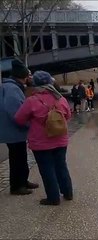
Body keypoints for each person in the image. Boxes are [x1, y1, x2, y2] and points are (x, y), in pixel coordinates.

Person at [15, 71, 73, 206]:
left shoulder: (31, 101)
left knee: (47, 169)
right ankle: (68, 192)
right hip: (60, 140)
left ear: (35, 84)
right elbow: (68, 116)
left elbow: (19, 119)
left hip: (41, 143)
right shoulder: (61, 98)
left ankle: (53, 198)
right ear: (50, 83)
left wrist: (33, 122)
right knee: (61, 166)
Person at [0, 59, 39, 195]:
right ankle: (16, 186)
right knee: (17, 159)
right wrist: (29, 124)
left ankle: (23, 181)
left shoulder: (13, 86)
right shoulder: (12, 88)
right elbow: (15, 112)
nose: (30, 77)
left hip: (15, 131)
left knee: (20, 157)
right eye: (28, 75)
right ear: (22, 76)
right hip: (14, 131)